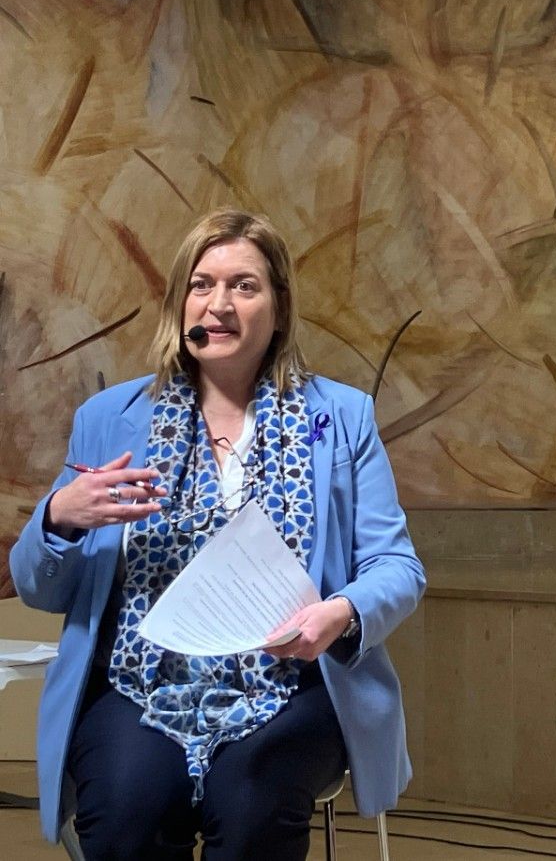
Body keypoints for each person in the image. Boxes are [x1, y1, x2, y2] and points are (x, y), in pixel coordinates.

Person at [10, 209, 426, 860]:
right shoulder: (108, 420)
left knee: (253, 797)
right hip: (136, 683)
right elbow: (39, 589)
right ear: (180, 305)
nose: (219, 304)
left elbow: (396, 567)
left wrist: (340, 613)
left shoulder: (342, 419)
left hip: (292, 683)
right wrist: (61, 515)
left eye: (244, 286)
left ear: (279, 308)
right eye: (201, 285)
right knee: (127, 805)